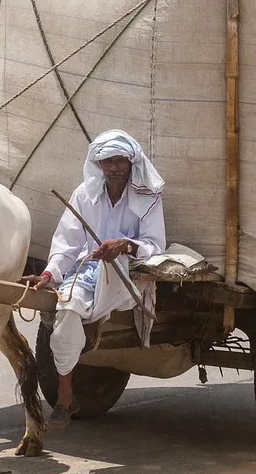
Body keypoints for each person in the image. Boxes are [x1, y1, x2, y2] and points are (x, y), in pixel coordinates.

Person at [21, 131, 166, 427]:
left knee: (81, 299)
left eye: (118, 160)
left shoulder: (148, 197)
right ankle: (65, 397)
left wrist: (124, 245)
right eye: (106, 161)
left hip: (128, 274)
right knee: (66, 311)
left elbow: (155, 245)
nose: (113, 167)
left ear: (130, 161)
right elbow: (67, 243)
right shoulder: (84, 194)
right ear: (98, 164)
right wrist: (50, 274)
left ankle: (65, 391)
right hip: (85, 273)